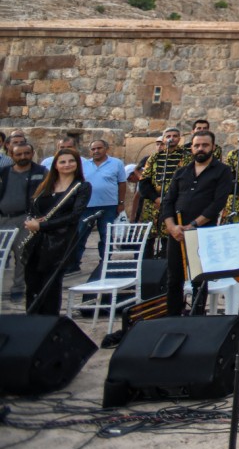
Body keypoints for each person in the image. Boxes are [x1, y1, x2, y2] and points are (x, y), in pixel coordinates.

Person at [161, 130, 234, 317]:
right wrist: (172, 227)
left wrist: (193, 225)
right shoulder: (181, 172)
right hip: (176, 232)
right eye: (196, 145)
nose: (200, 149)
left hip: (202, 231)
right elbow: (168, 201)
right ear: (191, 148)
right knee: (173, 279)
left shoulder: (222, 171)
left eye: (205, 145)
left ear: (213, 147)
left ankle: (197, 318)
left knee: (199, 280)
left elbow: (218, 203)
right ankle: (173, 318)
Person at [22, 148, 90, 315]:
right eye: (63, 161)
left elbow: (74, 217)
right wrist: (33, 221)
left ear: (77, 164)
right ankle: (31, 325)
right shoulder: (45, 185)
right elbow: (34, 208)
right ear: (56, 166)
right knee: (32, 285)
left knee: (50, 288)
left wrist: (42, 226)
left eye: (71, 161)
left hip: (60, 243)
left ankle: (48, 326)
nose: (67, 164)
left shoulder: (82, 187)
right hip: (37, 242)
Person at [68, 138, 127, 277]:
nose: (96, 151)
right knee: (80, 235)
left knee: (106, 235)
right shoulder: (83, 164)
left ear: (106, 148)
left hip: (109, 205)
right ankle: (74, 263)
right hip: (87, 206)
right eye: (93, 149)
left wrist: (121, 202)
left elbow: (122, 183)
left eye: (99, 148)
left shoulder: (116, 163)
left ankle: (105, 262)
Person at [0, 141, 45, 302]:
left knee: (22, 255)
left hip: (25, 219)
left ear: (32, 154)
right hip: (3, 218)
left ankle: (18, 289)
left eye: (26, 153)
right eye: (18, 154)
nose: (23, 157)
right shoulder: (4, 172)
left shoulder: (40, 172)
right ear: (11, 155)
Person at [139, 127, 189, 256]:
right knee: (148, 239)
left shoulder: (187, 157)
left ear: (179, 139)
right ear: (163, 138)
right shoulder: (154, 158)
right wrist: (156, 198)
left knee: (169, 239)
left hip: (174, 204)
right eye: (168, 136)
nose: (171, 138)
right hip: (154, 204)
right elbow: (144, 181)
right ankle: (146, 267)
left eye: (174, 136)